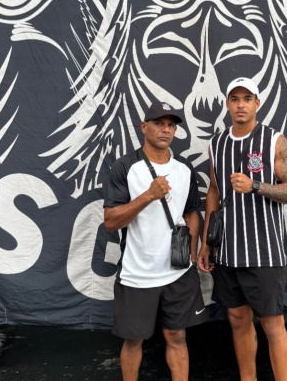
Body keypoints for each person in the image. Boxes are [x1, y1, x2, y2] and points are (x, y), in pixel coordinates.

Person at [198, 77, 287, 381]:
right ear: (227, 104)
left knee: (272, 325)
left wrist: (256, 185)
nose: (240, 104)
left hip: (264, 251)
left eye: (246, 99)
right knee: (237, 319)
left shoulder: (275, 141)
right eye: (234, 99)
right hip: (228, 250)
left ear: (257, 103)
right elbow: (214, 190)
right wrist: (206, 242)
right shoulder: (217, 143)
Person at [104, 101, 205, 381]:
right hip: (138, 273)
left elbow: (191, 213)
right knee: (133, 340)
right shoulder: (125, 166)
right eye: (159, 123)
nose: (166, 129)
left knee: (177, 336)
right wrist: (148, 195)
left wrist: (191, 255)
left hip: (178, 272)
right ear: (144, 127)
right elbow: (111, 221)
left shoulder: (184, 168)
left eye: (171, 125)